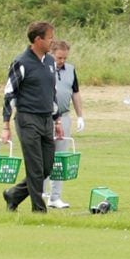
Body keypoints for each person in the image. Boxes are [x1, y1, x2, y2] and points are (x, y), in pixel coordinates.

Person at [1, 21, 63, 212]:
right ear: (38, 40)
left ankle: (14, 195)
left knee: (46, 167)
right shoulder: (21, 62)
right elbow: (9, 93)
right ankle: (38, 210)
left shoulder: (51, 62)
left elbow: (52, 92)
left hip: (46, 119)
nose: (52, 41)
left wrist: (57, 119)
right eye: (49, 37)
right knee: (35, 167)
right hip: (27, 119)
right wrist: (5, 125)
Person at [44, 40, 85, 209]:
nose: (61, 61)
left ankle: (55, 197)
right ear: (51, 53)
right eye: (59, 57)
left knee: (60, 158)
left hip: (65, 116)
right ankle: (40, 194)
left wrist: (80, 116)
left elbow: (75, 93)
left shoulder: (70, 69)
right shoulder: (44, 68)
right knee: (44, 156)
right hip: (46, 117)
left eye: (64, 58)